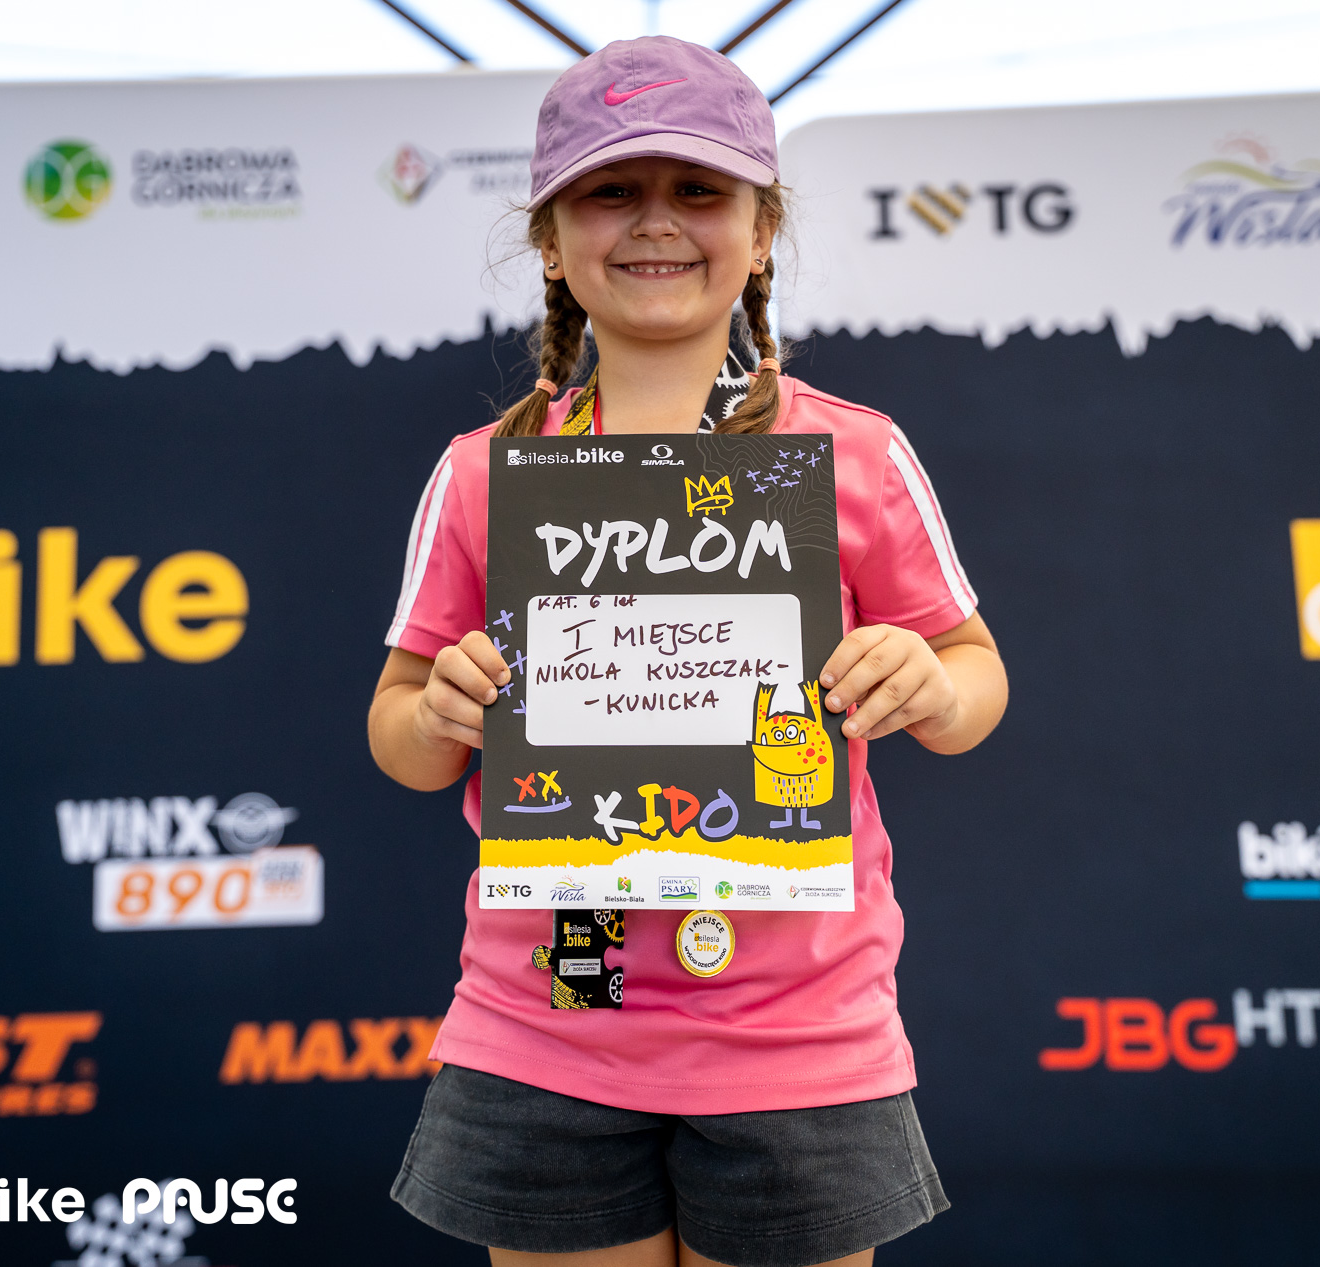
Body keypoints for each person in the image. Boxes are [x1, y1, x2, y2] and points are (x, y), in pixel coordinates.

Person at [368, 35, 1008, 1267]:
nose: (656, 220)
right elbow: (398, 732)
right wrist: (435, 709)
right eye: (611, 189)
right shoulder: (483, 473)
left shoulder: (855, 454)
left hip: (797, 1034)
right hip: (547, 1024)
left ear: (761, 232)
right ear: (550, 239)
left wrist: (930, 683)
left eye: (699, 189)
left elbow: (975, 676)